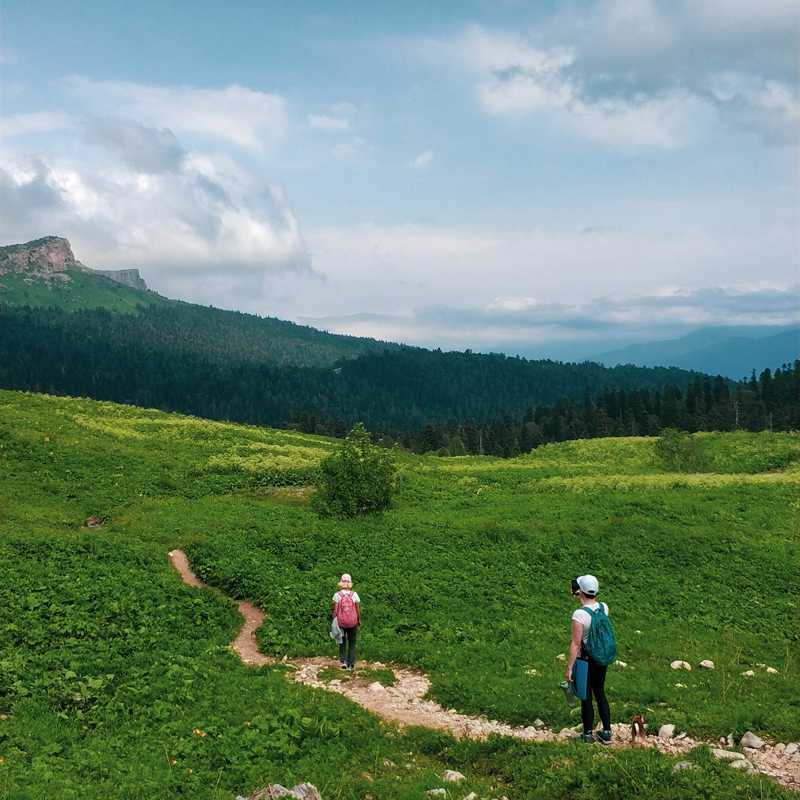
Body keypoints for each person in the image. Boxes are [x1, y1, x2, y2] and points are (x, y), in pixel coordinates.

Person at [565, 574, 613, 744]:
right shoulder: (603, 607)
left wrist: (570, 667)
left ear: (580, 591)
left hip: (585, 660)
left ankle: (587, 734)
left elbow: (576, 643)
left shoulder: (579, 614)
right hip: (601, 657)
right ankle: (606, 731)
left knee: (585, 696)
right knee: (599, 691)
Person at [333, 573, 361, 670]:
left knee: (342, 641)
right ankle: (351, 664)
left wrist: (334, 621)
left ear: (340, 582)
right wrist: (358, 620)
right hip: (352, 622)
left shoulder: (337, 595)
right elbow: (357, 610)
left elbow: (335, 610)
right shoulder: (354, 595)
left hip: (341, 622)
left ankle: (343, 661)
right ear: (350, 583)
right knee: (352, 643)